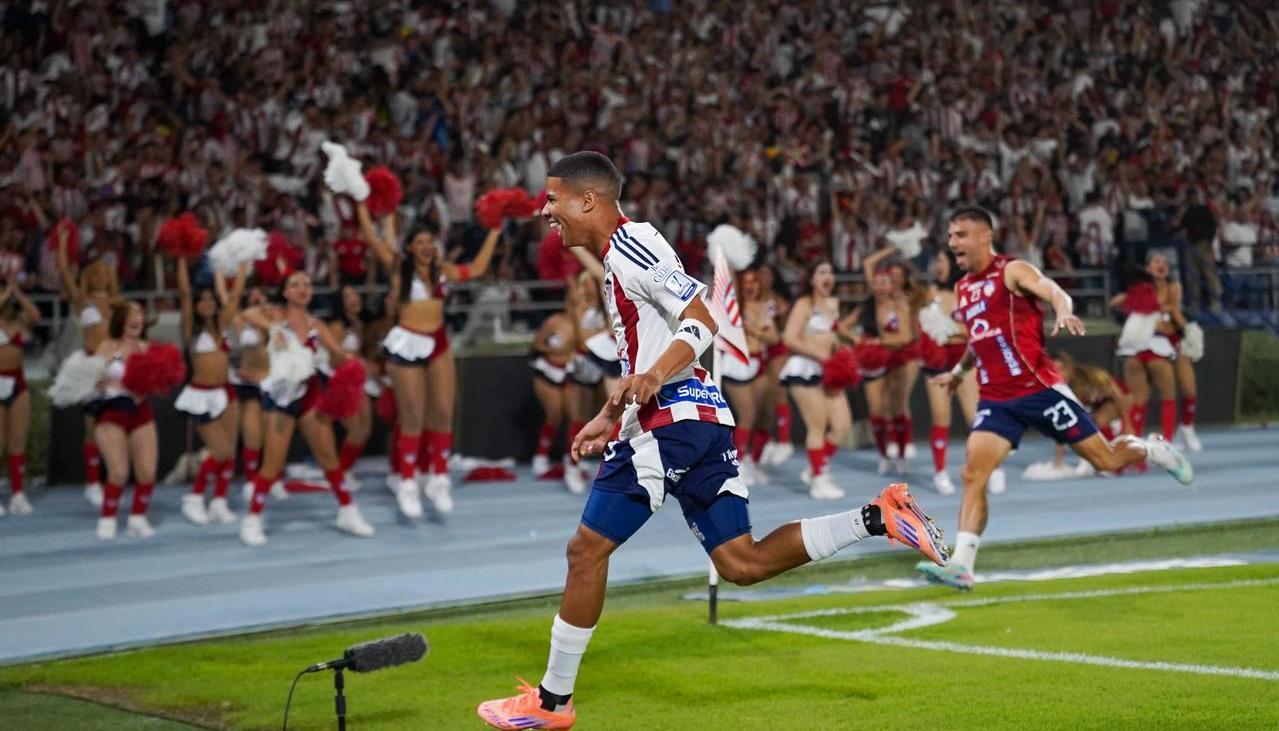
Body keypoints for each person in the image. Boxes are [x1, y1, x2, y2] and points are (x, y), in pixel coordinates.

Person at [478, 152, 948, 730]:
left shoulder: (630, 246)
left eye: (553, 199)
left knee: (585, 552)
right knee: (741, 562)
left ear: (588, 200)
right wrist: (610, 413)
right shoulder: (625, 251)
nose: (545, 211)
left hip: (668, 423)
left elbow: (701, 320)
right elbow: (652, 347)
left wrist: (651, 380)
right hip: (696, 418)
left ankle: (551, 704)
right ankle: (876, 517)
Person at [917, 206, 1193, 591]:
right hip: (997, 399)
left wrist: (1063, 309)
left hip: (1039, 389)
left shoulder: (1011, 270)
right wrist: (958, 372)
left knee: (1106, 459)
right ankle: (961, 565)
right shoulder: (964, 288)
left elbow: (1053, 290)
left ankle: (1154, 450)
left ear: (984, 237)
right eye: (950, 235)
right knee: (972, 476)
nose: (952, 243)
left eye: (960, 235)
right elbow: (979, 339)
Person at [358, 201, 501, 518]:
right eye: (419, 242)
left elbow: (477, 269)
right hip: (408, 343)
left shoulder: (442, 271)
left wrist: (494, 230)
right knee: (413, 417)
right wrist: (362, 205)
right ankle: (408, 482)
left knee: (442, 413)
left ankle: (438, 478)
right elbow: (372, 238)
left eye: (430, 241)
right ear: (410, 248)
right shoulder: (399, 268)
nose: (426, 246)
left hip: (438, 342)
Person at [237, 270, 376, 547]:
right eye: (295, 285)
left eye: (307, 285)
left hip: (310, 393)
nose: (302, 289)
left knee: (328, 456)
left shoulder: (317, 325)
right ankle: (252, 519)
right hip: (281, 398)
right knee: (272, 463)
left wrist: (354, 364)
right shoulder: (275, 315)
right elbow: (247, 314)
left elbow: (338, 356)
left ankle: (348, 511)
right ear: (285, 292)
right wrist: (273, 328)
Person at [917, 248, 1007, 496]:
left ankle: (994, 467)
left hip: (963, 361)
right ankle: (940, 472)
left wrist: (950, 329)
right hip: (936, 363)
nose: (937, 266)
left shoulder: (969, 290)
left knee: (975, 417)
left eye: (941, 261)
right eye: (935, 262)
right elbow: (924, 327)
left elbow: (979, 328)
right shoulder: (931, 292)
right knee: (940, 416)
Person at [174, 259, 246, 526]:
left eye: (210, 299)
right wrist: (181, 259)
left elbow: (235, 297)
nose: (206, 304)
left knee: (231, 452)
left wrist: (242, 263)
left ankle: (219, 501)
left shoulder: (222, 325)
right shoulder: (189, 329)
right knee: (219, 451)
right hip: (201, 395)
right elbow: (184, 293)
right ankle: (193, 498)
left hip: (226, 391)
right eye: (201, 300)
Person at [56, 227, 117, 507]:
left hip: (115, 367)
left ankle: (114, 476)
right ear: (89, 277)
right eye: (96, 272)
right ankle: (92, 483)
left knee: (116, 424)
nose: (101, 275)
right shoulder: (83, 302)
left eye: (106, 272)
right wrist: (64, 242)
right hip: (92, 366)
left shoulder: (118, 304)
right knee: (93, 426)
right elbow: (64, 271)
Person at [779, 260, 850, 499]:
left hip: (829, 371)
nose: (827, 277)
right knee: (817, 425)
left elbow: (833, 337)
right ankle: (819, 479)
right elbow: (789, 338)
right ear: (811, 279)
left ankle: (814, 468)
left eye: (830, 272)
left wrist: (842, 353)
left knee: (842, 426)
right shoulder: (804, 304)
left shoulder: (833, 304)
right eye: (821, 272)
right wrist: (820, 355)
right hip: (804, 369)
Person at [93, 302, 160, 540]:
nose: (136, 318)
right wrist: (103, 384)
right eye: (131, 314)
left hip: (141, 412)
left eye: (139, 313)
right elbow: (91, 380)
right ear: (121, 320)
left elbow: (157, 383)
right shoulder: (106, 346)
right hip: (112, 413)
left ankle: (138, 518)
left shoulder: (148, 348)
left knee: (147, 472)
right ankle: (107, 518)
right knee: (119, 472)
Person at [719, 267, 780, 487]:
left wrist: (754, 331)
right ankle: (736, 465)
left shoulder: (764, 306)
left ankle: (753, 462)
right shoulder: (734, 307)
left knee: (765, 417)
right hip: (738, 364)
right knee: (748, 416)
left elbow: (774, 337)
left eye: (754, 281)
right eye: (745, 282)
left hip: (760, 363)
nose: (750, 285)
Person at [1112, 255, 1182, 445]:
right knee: (1168, 398)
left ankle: (1132, 444)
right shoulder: (1165, 292)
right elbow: (1173, 314)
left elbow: (1115, 303)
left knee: (1137, 400)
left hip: (1133, 353)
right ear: (1148, 268)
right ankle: (1166, 443)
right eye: (1157, 262)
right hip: (1156, 349)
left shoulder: (1136, 292)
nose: (1161, 266)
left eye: (1165, 263)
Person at [324, 284, 375, 489]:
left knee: (365, 430)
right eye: (348, 296)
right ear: (340, 302)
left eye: (355, 294)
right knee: (355, 431)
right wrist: (354, 361)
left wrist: (362, 363)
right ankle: (340, 474)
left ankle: (345, 470)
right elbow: (332, 359)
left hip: (357, 381)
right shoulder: (337, 326)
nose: (354, 298)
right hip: (341, 382)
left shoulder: (357, 324)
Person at [0, 276, 39, 515]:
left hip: (17, 382)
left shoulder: (17, 323)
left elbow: (35, 316)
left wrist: (16, 292)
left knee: (17, 440)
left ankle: (17, 494)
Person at [529, 296, 578, 488]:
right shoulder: (554, 321)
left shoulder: (585, 326)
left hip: (570, 372)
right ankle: (540, 457)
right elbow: (536, 344)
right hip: (547, 370)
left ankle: (571, 458)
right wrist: (553, 349)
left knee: (574, 416)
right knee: (554, 414)